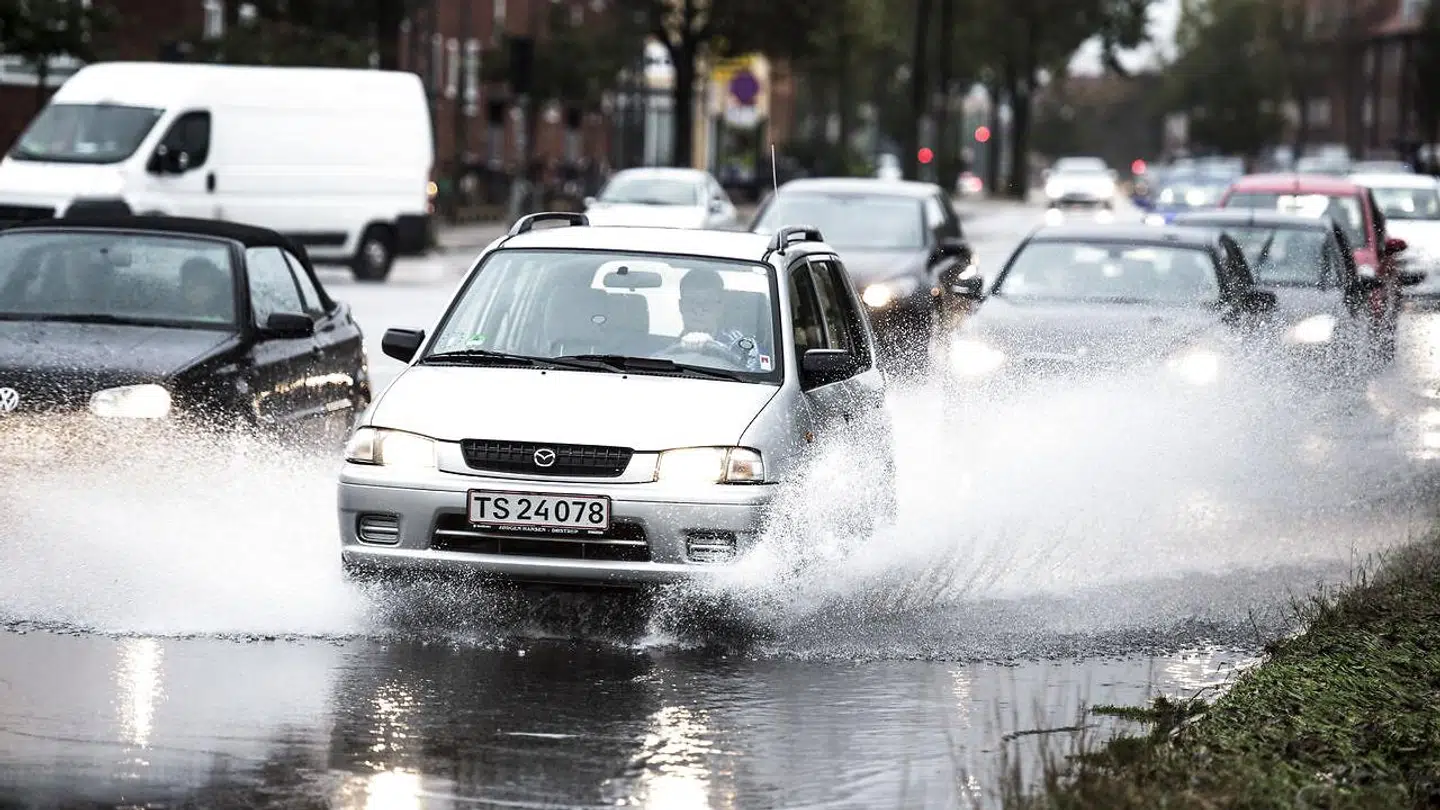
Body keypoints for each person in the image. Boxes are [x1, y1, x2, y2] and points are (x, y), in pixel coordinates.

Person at [671, 267, 765, 372]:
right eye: (691, 302)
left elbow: (751, 380)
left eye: (706, 302)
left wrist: (716, 350)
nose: (698, 310)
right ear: (681, 306)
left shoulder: (741, 347)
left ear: (719, 308)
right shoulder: (664, 349)